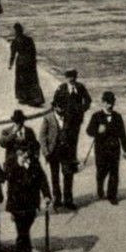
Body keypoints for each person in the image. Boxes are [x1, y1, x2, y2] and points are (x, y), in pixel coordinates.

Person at [4, 144, 52, 252]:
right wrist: (18, 165)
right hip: (17, 203)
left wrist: (47, 195)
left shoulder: (35, 163)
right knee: (23, 229)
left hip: (31, 202)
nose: (24, 154)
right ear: (17, 153)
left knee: (27, 224)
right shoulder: (11, 163)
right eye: (20, 152)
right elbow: (7, 176)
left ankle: (20, 242)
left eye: (26, 151)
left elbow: (42, 179)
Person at [51, 70, 92, 206]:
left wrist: (82, 109)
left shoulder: (80, 87)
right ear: (66, 78)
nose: (71, 79)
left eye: (73, 77)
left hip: (76, 121)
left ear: (76, 77)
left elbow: (88, 100)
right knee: (57, 169)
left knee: (73, 142)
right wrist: (60, 111)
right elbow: (54, 102)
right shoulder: (61, 89)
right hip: (64, 123)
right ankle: (57, 198)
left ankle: (72, 159)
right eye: (69, 77)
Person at [86, 91, 126, 204]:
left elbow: (122, 134)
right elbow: (89, 131)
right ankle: (100, 187)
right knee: (101, 172)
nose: (110, 106)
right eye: (108, 103)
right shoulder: (96, 116)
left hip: (114, 149)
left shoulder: (118, 117)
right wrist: (97, 131)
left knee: (114, 173)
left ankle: (112, 196)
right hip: (101, 150)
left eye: (112, 103)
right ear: (103, 103)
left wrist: (125, 150)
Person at [8, 23, 44, 106]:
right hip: (30, 61)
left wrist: (10, 64)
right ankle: (35, 98)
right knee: (32, 79)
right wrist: (34, 61)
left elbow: (13, 54)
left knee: (21, 80)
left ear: (15, 32)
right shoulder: (29, 39)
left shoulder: (15, 42)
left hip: (21, 62)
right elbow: (33, 51)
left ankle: (23, 97)